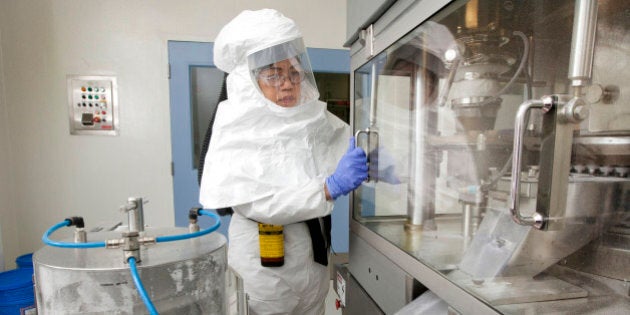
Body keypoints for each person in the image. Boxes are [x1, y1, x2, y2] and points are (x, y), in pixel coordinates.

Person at [199, 9, 368, 315]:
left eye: (293, 72)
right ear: (249, 80)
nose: (288, 84)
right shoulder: (237, 129)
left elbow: (347, 146)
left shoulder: (310, 117)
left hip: (312, 260)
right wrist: (328, 188)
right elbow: (259, 204)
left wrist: (377, 158)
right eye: (274, 74)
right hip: (265, 269)